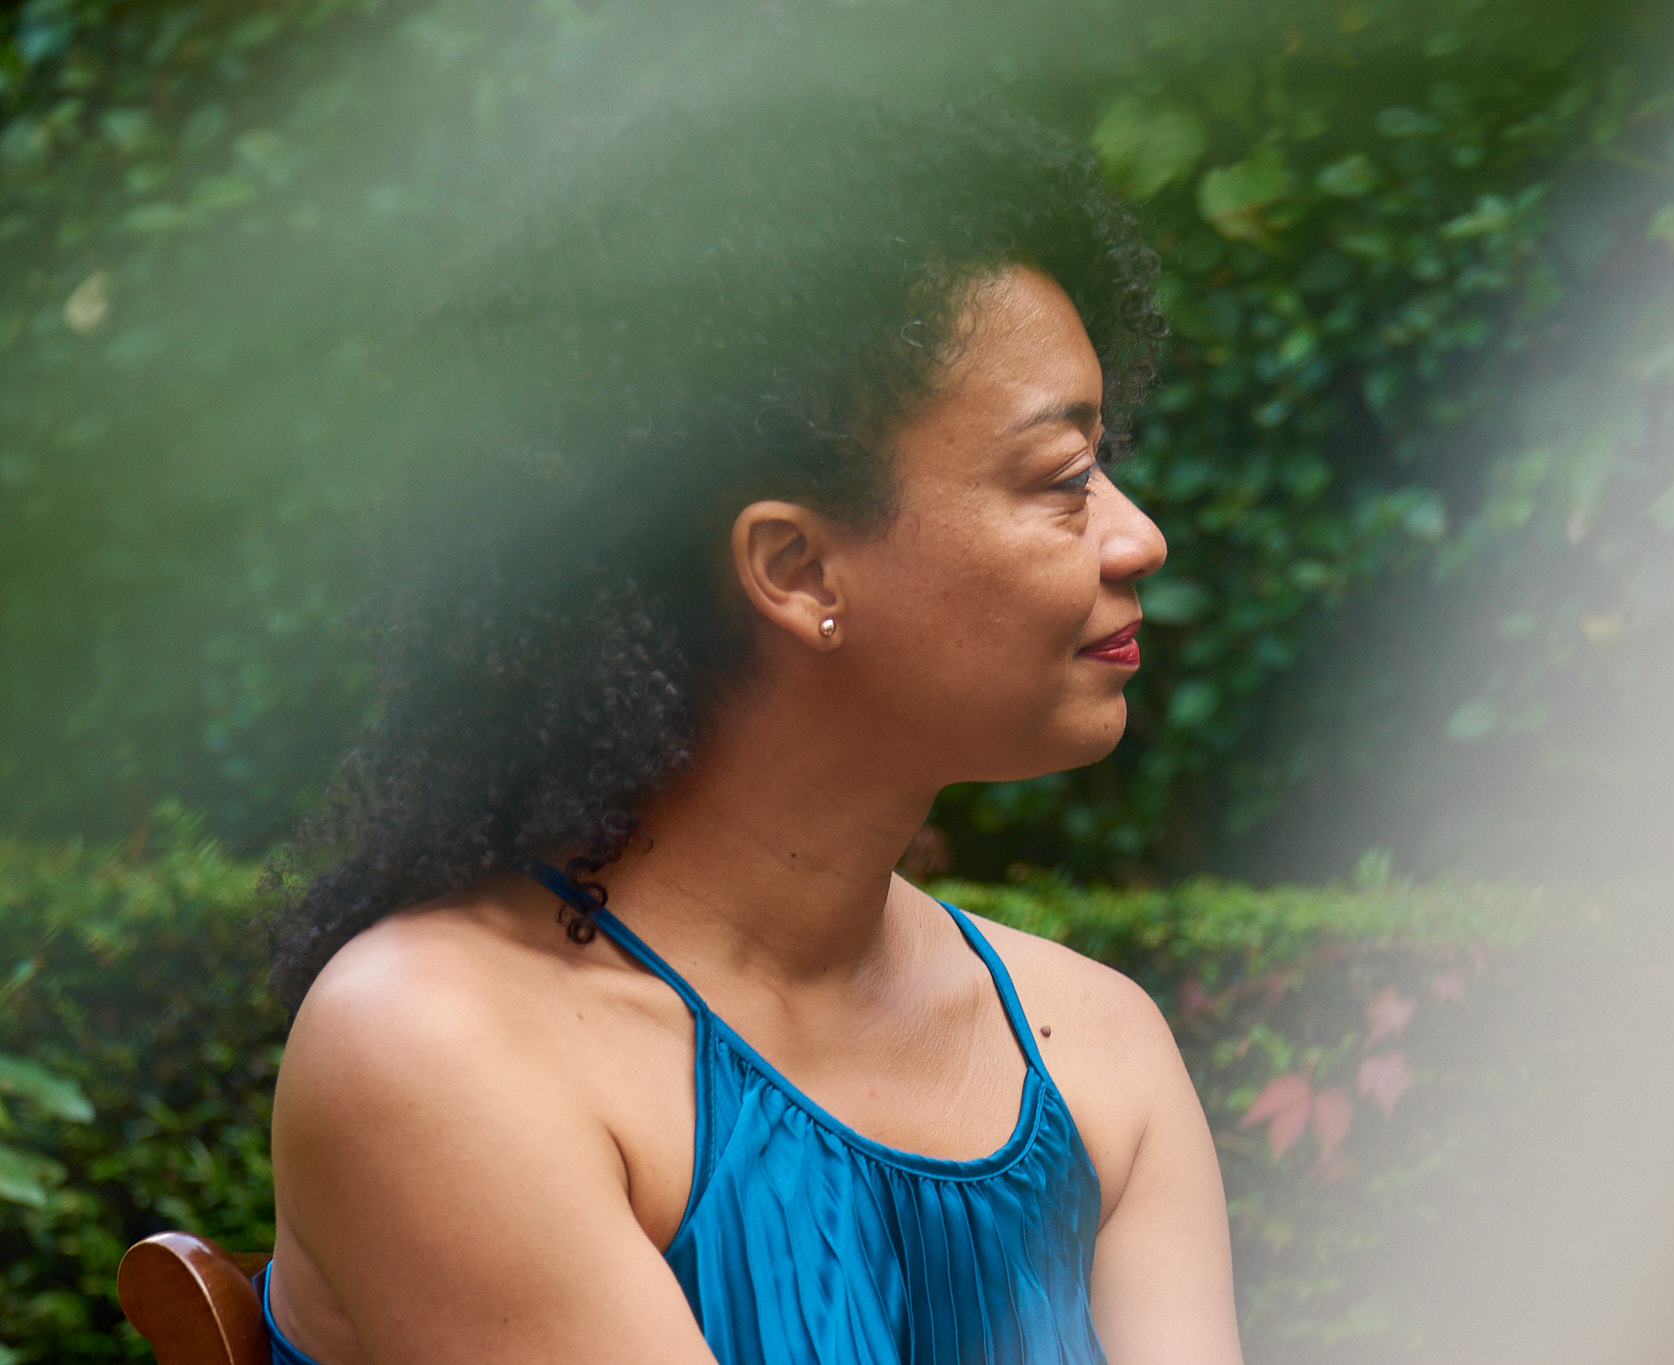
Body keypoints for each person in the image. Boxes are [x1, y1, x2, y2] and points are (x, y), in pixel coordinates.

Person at [260, 94, 1242, 1365]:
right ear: (795, 569)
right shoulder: (440, 1048)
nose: (1136, 537)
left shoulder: (1094, 1048)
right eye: (1061, 483)